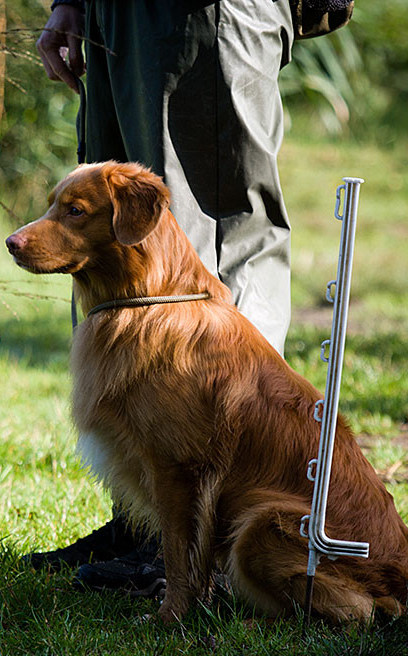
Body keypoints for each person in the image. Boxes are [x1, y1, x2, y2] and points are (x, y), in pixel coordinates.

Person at [29, 0, 298, 595]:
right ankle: (147, 526)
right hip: (115, 17)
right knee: (111, 245)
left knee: (215, 245)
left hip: (210, 13)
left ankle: (221, 546)